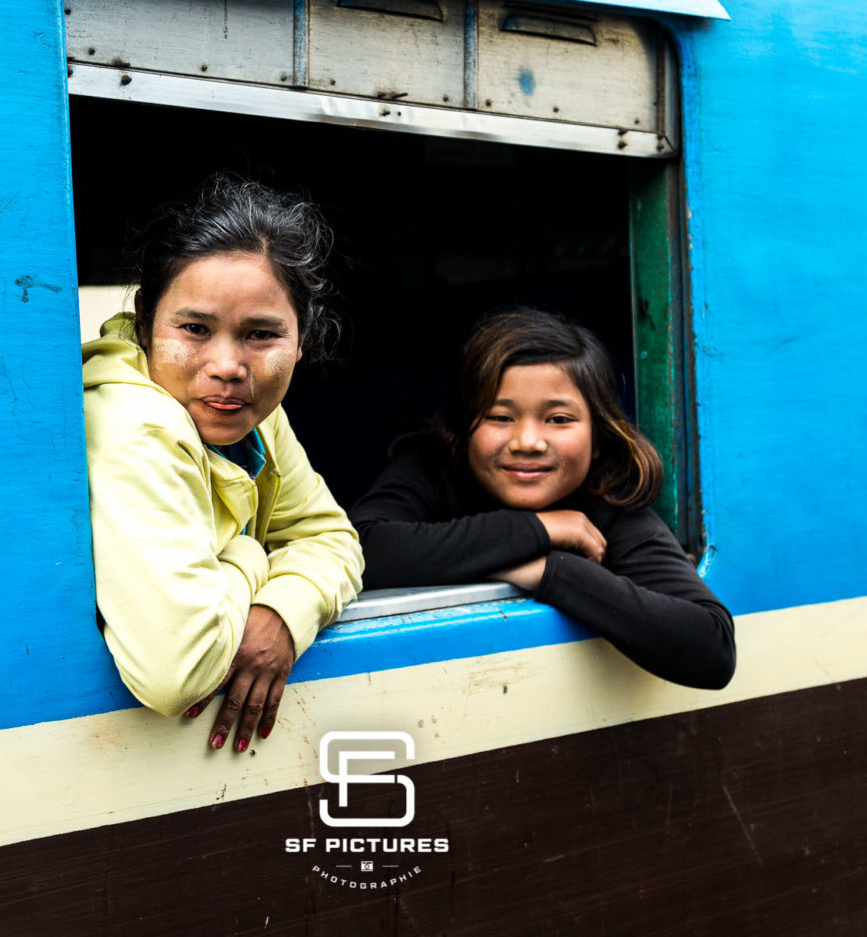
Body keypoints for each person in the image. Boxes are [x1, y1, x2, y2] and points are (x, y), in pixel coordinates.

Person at [83, 176, 363, 753]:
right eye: (194, 329)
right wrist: (251, 552)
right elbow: (177, 673)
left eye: (261, 335)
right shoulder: (134, 427)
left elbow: (332, 537)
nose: (228, 365)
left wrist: (284, 610)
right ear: (144, 324)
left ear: (302, 337)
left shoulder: (250, 411)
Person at [350, 307, 735, 689]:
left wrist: (551, 570)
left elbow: (711, 648)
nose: (528, 442)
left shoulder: (608, 506)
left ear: (599, 438)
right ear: (462, 429)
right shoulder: (431, 468)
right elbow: (362, 549)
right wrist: (536, 530)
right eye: (500, 417)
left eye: (558, 419)